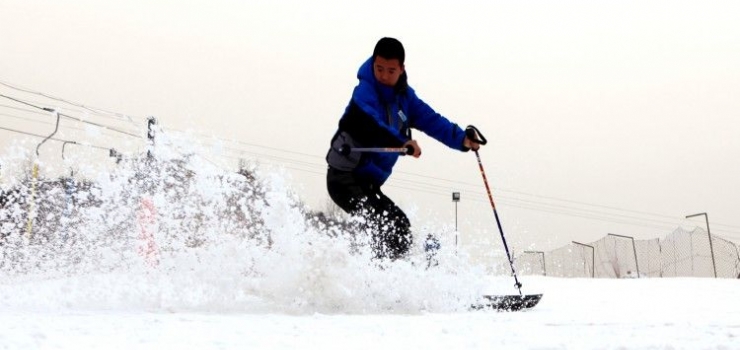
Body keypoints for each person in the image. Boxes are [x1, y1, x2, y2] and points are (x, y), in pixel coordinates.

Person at [325, 37, 482, 261]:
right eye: (379, 69)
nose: (384, 76)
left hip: (367, 184)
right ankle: (370, 282)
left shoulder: (405, 99)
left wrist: (462, 140)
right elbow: (370, 125)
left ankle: (386, 284)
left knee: (399, 228)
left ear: (401, 69)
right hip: (343, 178)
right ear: (373, 65)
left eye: (391, 70)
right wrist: (401, 143)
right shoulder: (364, 92)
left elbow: (431, 120)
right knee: (379, 225)